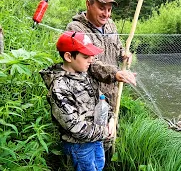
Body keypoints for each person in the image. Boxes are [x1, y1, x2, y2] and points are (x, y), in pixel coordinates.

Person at [40, 31, 136, 171]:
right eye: (86, 56)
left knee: (99, 166)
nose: (91, 60)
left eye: (91, 55)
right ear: (68, 56)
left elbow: (100, 98)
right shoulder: (59, 88)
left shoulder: (84, 74)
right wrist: (105, 132)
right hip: (80, 147)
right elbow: (74, 127)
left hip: (96, 139)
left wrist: (110, 118)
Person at [66, 0, 131, 112]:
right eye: (101, 8)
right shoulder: (75, 28)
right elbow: (91, 64)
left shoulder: (110, 25)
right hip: (89, 98)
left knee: (113, 127)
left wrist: (124, 54)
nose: (106, 14)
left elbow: (118, 46)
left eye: (109, 10)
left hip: (112, 93)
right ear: (88, 4)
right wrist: (115, 74)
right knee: (96, 129)